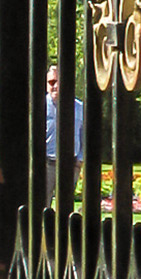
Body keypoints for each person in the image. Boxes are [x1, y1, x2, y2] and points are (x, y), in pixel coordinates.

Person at [46, 67, 84, 197]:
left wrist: (80, 160)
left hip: (70, 165)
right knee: (43, 204)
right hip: (47, 165)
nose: (55, 86)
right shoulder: (39, 106)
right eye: (51, 82)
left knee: (66, 205)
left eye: (59, 81)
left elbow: (85, 136)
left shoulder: (79, 107)